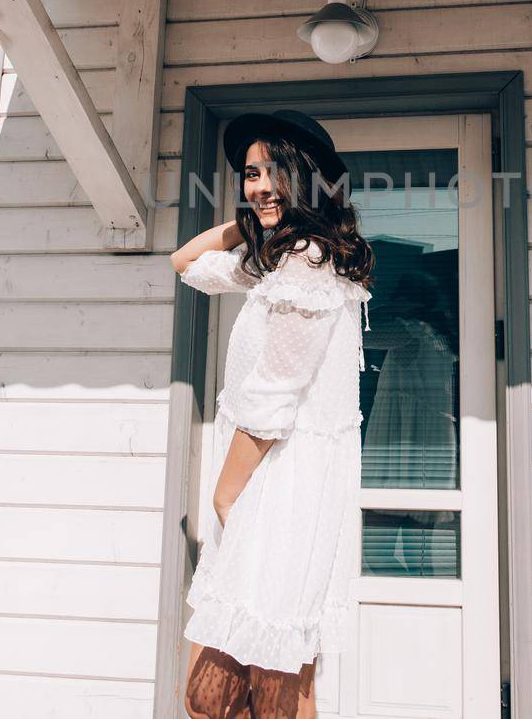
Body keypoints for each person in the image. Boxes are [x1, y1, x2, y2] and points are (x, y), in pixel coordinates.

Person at [170, 109, 374, 719]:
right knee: (215, 698)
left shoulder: (309, 260)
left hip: (284, 490)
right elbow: (185, 264)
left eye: (271, 172)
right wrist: (244, 225)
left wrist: (225, 495)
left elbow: (272, 397)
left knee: (272, 698)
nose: (256, 185)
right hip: (266, 484)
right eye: (248, 174)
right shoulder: (281, 259)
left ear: (304, 176)